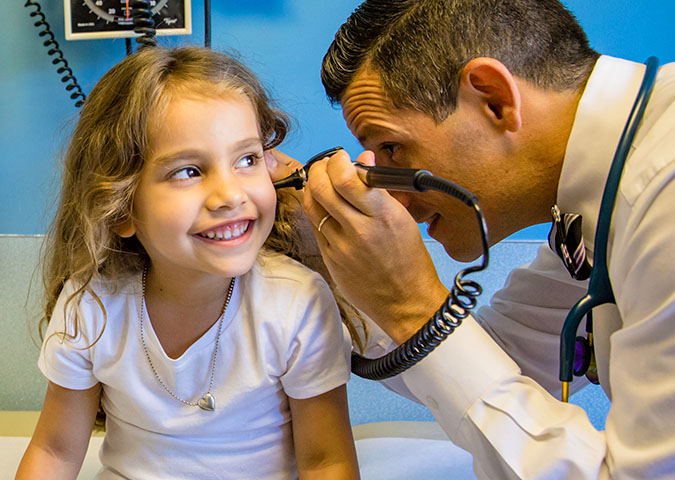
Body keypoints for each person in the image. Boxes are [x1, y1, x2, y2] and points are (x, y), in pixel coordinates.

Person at [268, 0, 675, 478]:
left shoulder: (662, 189)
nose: (392, 194)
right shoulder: (599, 195)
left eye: (393, 148)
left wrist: (415, 306)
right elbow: (507, 360)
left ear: (494, 98)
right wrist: (335, 259)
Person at [17, 46, 360, 480]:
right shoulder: (92, 305)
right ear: (120, 208)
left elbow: (326, 462)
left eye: (247, 159)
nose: (230, 195)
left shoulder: (298, 304)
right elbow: (54, 453)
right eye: (188, 171)